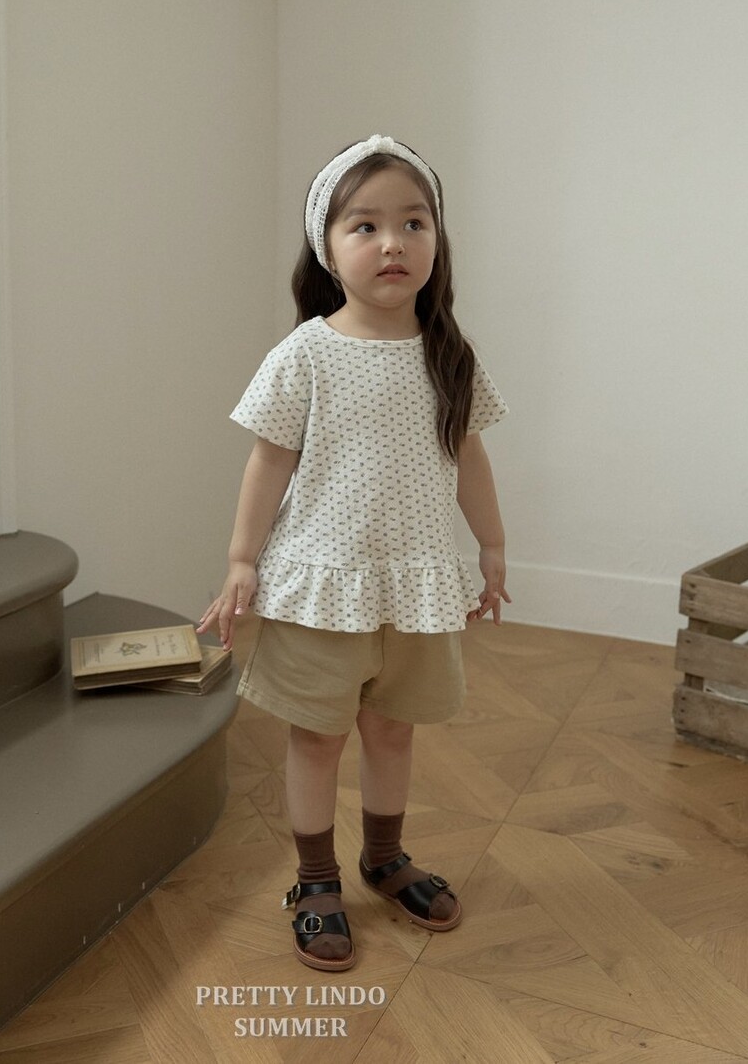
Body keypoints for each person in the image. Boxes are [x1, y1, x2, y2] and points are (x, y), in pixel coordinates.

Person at [197, 134, 509, 972]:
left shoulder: (448, 354)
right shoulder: (307, 354)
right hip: (320, 587)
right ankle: (314, 878)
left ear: (436, 240)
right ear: (328, 250)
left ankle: (383, 857)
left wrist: (492, 544)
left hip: (413, 586)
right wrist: (241, 559)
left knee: (393, 729)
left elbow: (470, 457)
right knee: (316, 738)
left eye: (413, 222)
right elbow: (268, 461)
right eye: (365, 226)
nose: (392, 242)